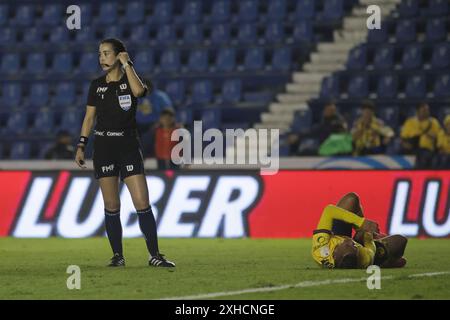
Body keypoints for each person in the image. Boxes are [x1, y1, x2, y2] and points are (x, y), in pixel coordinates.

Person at [74, 38, 175, 268]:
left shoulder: (131, 80)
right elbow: (89, 118)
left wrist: (128, 64)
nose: (102, 58)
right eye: (100, 54)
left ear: (120, 55)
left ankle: (155, 255)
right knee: (111, 205)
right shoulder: (96, 86)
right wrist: (81, 145)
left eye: (107, 53)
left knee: (142, 201)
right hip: (104, 148)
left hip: (128, 146)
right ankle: (118, 256)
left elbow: (140, 92)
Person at [312, 192, 408, 269]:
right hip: (366, 248)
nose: (349, 241)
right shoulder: (364, 258)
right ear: (357, 251)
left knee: (351, 199)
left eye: (345, 243)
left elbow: (329, 210)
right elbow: (369, 245)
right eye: (354, 245)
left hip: (336, 236)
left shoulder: (321, 246)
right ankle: (385, 261)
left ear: (334, 253)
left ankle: (386, 255)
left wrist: (361, 223)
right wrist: (368, 234)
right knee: (400, 241)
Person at [400, 102, 442, 169]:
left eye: (427, 110)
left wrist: (432, 136)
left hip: (427, 149)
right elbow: (403, 137)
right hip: (412, 148)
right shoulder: (410, 122)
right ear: (417, 112)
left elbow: (440, 137)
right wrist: (405, 144)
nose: (427, 112)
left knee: (423, 156)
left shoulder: (433, 122)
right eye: (424, 110)